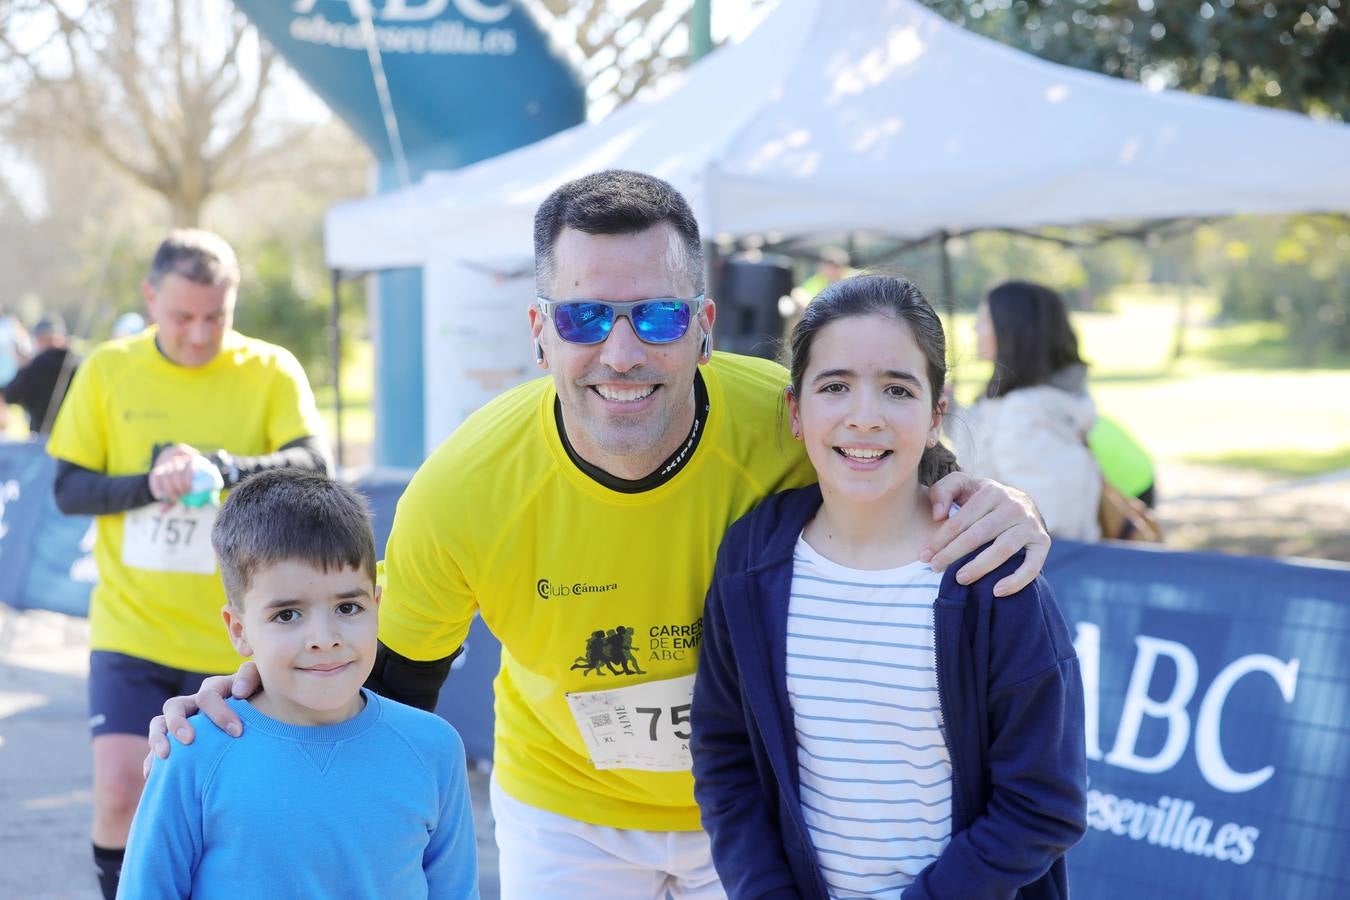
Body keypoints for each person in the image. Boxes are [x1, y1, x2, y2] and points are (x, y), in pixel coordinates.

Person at [152, 171, 1051, 899]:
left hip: (750, 813)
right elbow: (377, 688)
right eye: (585, 318)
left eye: (656, 316)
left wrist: (998, 500)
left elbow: (898, 461)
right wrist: (248, 713)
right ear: (540, 333)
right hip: (564, 813)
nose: (621, 353)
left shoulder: (782, 424)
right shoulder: (464, 489)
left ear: (703, 327)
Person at [691, 274, 1087, 898]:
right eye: (836, 386)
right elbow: (725, 757)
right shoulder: (751, 559)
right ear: (796, 411)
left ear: (936, 414)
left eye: (897, 389)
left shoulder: (990, 572)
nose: (865, 416)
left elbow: (1044, 803)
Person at [45, 228, 332, 900]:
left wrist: (224, 469)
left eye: (216, 316)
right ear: (150, 297)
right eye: (182, 317)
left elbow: (316, 463)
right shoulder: (108, 369)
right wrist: (154, 482)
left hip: (238, 639)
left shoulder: (269, 369)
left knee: (241, 811)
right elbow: (68, 488)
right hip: (132, 630)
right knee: (120, 789)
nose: (200, 334)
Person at [117, 470, 478, 899]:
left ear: (377, 606)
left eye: (347, 606)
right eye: (287, 614)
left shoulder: (434, 749)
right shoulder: (193, 756)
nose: (324, 637)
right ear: (239, 629)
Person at [952, 280, 1102, 539]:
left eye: (984, 319)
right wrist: (949, 412)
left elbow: (1051, 521)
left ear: (1012, 330)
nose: (975, 327)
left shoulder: (1025, 413)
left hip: (1032, 568)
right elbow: (985, 460)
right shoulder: (1023, 403)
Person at [0, 314, 79, 436]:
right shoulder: (79, 362)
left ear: (41, 339)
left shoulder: (37, 365)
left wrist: (23, 367)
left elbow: (11, 394)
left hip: (44, 440)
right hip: (74, 440)